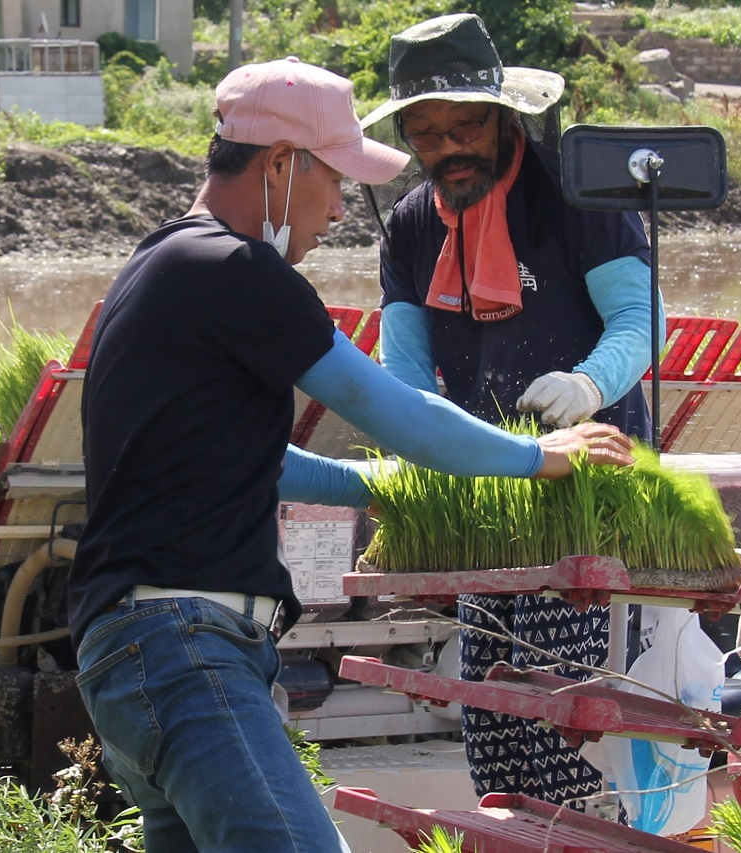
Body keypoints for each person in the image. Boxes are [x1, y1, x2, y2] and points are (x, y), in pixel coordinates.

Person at [67, 56, 637, 853]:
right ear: (279, 165)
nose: (338, 209)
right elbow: (387, 404)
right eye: (334, 180)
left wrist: (388, 488)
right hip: (184, 644)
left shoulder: (159, 265)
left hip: (131, 651)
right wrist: (539, 456)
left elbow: (268, 466)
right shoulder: (237, 270)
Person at [363, 13, 665, 811]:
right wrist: (413, 447)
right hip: (485, 502)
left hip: (586, 499)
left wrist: (588, 386)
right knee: (495, 727)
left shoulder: (573, 194)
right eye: (427, 133)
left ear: (503, 113)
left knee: (568, 732)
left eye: (465, 124)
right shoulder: (412, 224)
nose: (449, 146)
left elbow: (642, 320)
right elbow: (402, 366)